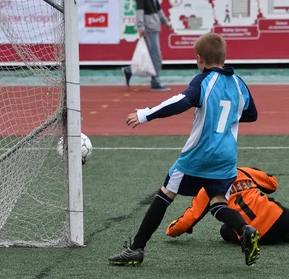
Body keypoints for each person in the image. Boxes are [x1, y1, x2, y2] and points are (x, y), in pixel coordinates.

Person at [109, 33, 260, 266]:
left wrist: (145, 115)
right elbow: (251, 114)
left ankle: (136, 249)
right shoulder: (239, 84)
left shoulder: (203, 81)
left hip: (199, 154)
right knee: (218, 202)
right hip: (226, 157)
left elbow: (181, 101)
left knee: (165, 194)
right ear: (224, 57)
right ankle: (244, 227)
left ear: (199, 59)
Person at [122, 0, 173, 92]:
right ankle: (155, 81)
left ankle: (129, 70)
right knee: (156, 56)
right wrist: (140, 27)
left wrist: (166, 22)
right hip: (148, 27)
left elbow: (157, 8)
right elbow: (139, 9)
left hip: (154, 26)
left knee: (151, 56)